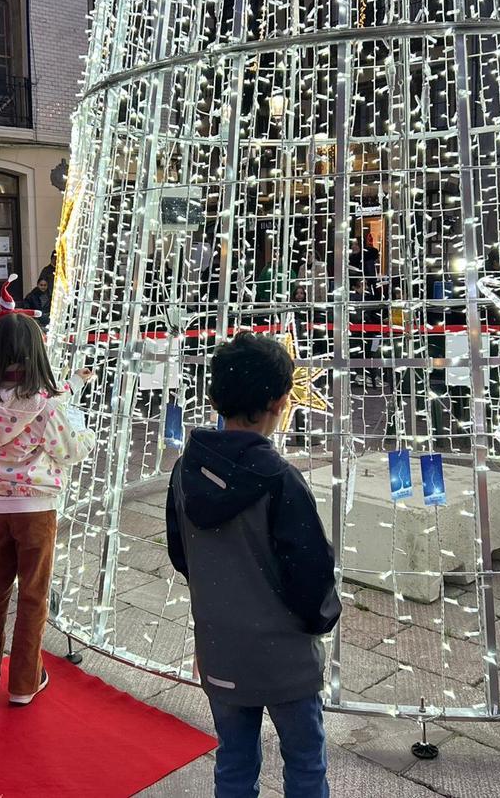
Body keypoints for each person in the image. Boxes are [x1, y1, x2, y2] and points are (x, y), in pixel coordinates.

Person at [166, 332, 341, 798]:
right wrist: (320, 619)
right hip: (285, 656)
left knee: (234, 758)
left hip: (219, 645)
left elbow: (180, 553)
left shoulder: (185, 469)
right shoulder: (280, 479)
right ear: (280, 401)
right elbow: (311, 571)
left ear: (214, 396)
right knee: (305, 760)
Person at [0, 313, 95, 707]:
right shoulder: (45, 406)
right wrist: (85, 429)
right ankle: (24, 682)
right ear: (37, 352)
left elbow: (31, 403)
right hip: (35, 506)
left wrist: (73, 384)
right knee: (33, 594)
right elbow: (70, 450)